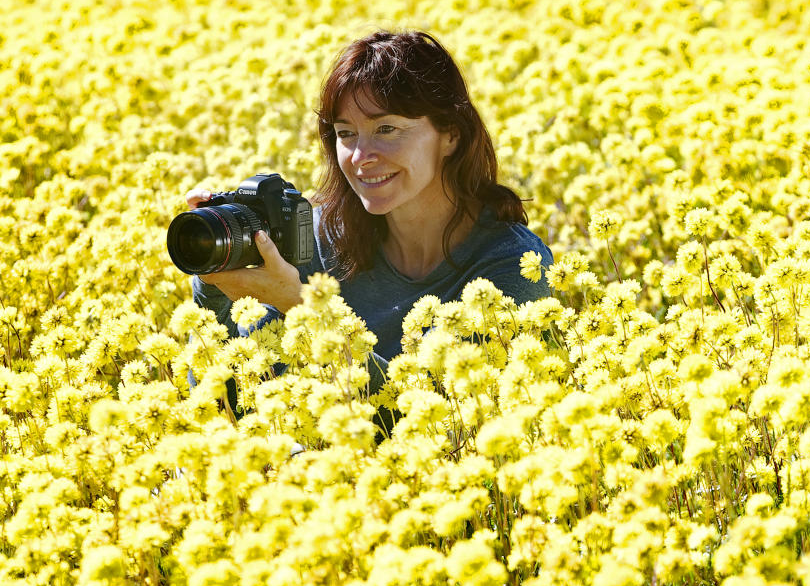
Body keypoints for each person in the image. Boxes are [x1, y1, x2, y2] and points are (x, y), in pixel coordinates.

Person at [187, 29, 553, 404]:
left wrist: (300, 307)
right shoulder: (311, 240)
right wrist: (214, 281)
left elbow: (439, 428)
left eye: (386, 129)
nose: (361, 157)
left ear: (451, 135)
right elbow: (217, 407)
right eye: (346, 134)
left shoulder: (514, 267)